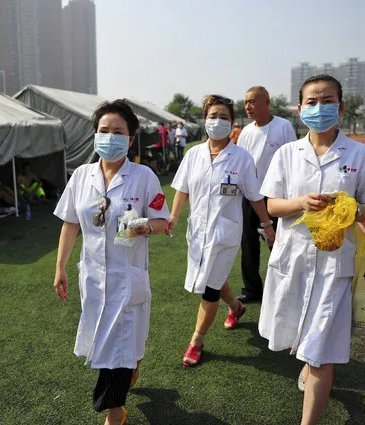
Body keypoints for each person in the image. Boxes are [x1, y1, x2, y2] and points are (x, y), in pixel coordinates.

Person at [258, 75, 365, 425]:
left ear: (340, 106)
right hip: (293, 261)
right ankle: (307, 363)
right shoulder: (287, 154)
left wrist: (345, 208)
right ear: (299, 110)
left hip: (334, 267)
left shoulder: (359, 154)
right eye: (311, 102)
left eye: (327, 101)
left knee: (321, 355)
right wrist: (300, 203)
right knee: (294, 336)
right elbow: (272, 206)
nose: (319, 108)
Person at [52, 99, 170, 425]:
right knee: (112, 347)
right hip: (92, 276)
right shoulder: (81, 176)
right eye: (104, 130)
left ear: (130, 139)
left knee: (116, 352)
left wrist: (144, 225)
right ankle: (131, 370)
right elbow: (70, 222)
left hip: (127, 278)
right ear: (95, 135)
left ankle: (114, 415)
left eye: (118, 132)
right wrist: (60, 266)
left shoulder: (143, 177)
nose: (110, 137)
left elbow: (163, 220)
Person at [167, 94, 276, 367]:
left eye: (224, 117)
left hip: (225, 234)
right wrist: (173, 216)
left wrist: (267, 224)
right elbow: (182, 189)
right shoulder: (193, 155)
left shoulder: (241, 158)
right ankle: (236, 307)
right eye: (213, 116)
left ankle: (196, 341)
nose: (217, 122)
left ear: (233, 122)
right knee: (211, 278)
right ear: (205, 120)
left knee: (210, 289)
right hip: (198, 233)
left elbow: (254, 196)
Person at [237, 86, 298, 303]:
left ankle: (282, 288)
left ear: (267, 102)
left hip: (274, 196)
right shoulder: (245, 132)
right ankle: (252, 289)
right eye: (246, 102)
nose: (248, 106)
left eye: (252, 101)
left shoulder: (283, 127)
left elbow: (293, 161)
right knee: (248, 244)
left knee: (277, 243)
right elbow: (241, 163)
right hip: (249, 196)